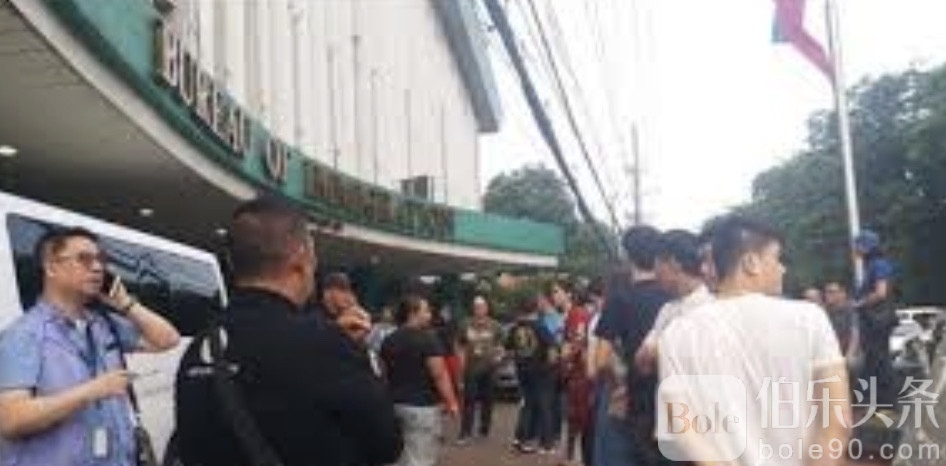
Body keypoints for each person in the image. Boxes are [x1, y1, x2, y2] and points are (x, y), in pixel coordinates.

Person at [175, 197, 401, 466]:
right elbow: (387, 445)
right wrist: (358, 356)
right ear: (301, 259)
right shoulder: (327, 346)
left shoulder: (201, 347)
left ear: (232, 263)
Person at [658, 216, 850, 465]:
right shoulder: (809, 318)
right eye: (776, 258)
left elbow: (685, 431)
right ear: (751, 263)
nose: (782, 269)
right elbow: (836, 421)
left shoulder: (676, 333)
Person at [0, 227, 180, 466]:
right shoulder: (24, 334)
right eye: (84, 259)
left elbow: (168, 339)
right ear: (51, 267)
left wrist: (125, 303)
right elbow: (11, 419)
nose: (97, 268)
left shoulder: (103, 324)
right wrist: (90, 391)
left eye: (100, 260)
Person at [593, 225, 673, 466]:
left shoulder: (620, 298)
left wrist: (618, 385)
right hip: (674, 399)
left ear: (628, 257)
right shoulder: (674, 297)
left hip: (638, 400)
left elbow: (601, 360)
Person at [380, 295, 459, 466]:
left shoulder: (388, 340)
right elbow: (439, 375)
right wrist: (452, 402)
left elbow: (383, 374)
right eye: (426, 311)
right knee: (420, 459)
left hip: (394, 405)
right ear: (413, 313)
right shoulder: (428, 339)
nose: (430, 315)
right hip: (422, 408)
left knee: (399, 458)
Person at [634, 229, 713, 375]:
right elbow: (642, 363)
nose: (655, 273)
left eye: (656, 264)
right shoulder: (667, 309)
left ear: (674, 263)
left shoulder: (713, 305)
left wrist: (659, 350)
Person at [852, 229, 898, 411]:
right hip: (874, 322)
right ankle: (876, 403)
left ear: (866, 247)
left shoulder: (879, 265)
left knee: (880, 362)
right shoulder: (872, 265)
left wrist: (859, 303)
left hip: (878, 322)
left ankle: (889, 404)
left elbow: (881, 293)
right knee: (873, 362)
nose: (855, 248)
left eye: (857, 245)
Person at [507, 295, 558, 454]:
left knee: (527, 405)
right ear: (536, 308)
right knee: (545, 406)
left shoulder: (515, 327)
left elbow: (508, 349)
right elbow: (552, 348)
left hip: (522, 371)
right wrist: (551, 366)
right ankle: (546, 445)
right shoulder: (539, 326)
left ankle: (520, 440)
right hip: (540, 372)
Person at [456, 296, 504, 445]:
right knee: (469, 400)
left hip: (490, 369)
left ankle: (484, 430)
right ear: (473, 308)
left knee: (488, 400)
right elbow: (459, 344)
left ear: (487, 308)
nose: (479, 309)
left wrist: (499, 356)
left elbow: (501, 344)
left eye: (482, 306)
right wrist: (460, 362)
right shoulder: (465, 324)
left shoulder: (495, 325)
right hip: (471, 368)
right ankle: (465, 433)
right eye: (477, 307)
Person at [557, 280, 593, 466]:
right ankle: (570, 456)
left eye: (557, 291)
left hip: (579, 374)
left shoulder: (577, 314)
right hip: (576, 373)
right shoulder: (573, 314)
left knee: (577, 417)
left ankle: (574, 457)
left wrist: (564, 358)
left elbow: (577, 343)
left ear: (569, 294)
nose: (554, 296)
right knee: (573, 417)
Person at [823, 281, 860, 361]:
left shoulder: (850, 310)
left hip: (848, 351)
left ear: (842, 294)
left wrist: (850, 354)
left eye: (831, 292)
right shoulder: (824, 311)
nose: (827, 295)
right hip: (830, 352)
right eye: (826, 292)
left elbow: (855, 334)